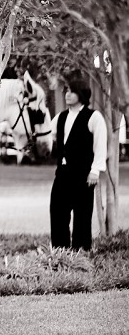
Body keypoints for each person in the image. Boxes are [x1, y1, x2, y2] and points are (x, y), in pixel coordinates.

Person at [50, 78, 107, 251]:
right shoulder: (60, 117)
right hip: (62, 173)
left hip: (83, 175)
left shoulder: (94, 117)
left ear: (81, 94)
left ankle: (80, 254)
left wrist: (95, 171)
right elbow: (48, 137)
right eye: (66, 90)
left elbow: (100, 145)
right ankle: (60, 253)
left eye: (71, 90)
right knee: (57, 212)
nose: (67, 93)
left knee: (82, 216)